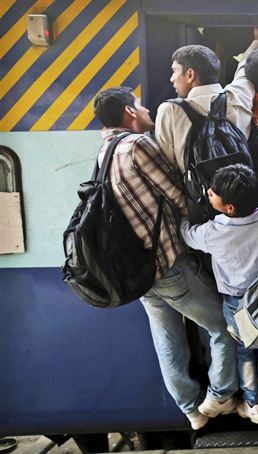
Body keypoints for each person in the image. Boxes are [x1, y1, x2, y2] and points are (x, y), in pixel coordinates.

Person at [92, 87, 238, 430]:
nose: (146, 111)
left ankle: (191, 409)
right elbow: (176, 195)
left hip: (138, 271)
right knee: (224, 326)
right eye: (141, 106)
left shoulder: (105, 152)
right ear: (129, 112)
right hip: (169, 263)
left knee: (167, 340)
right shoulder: (137, 145)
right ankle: (222, 394)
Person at [180, 164, 258, 424]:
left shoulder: (213, 232)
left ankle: (254, 403)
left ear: (230, 208)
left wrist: (182, 215)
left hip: (236, 304)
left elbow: (187, 235)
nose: (209, 193)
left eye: (213, 193)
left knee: (244, 353)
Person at [155, 37, 258, 175]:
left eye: (174, 71)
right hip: (239, 191)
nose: (172, 78)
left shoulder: (170, 110)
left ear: (190, 75)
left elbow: (167, 167)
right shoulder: (238, 97)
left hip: (198, 194)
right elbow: (244, 71)